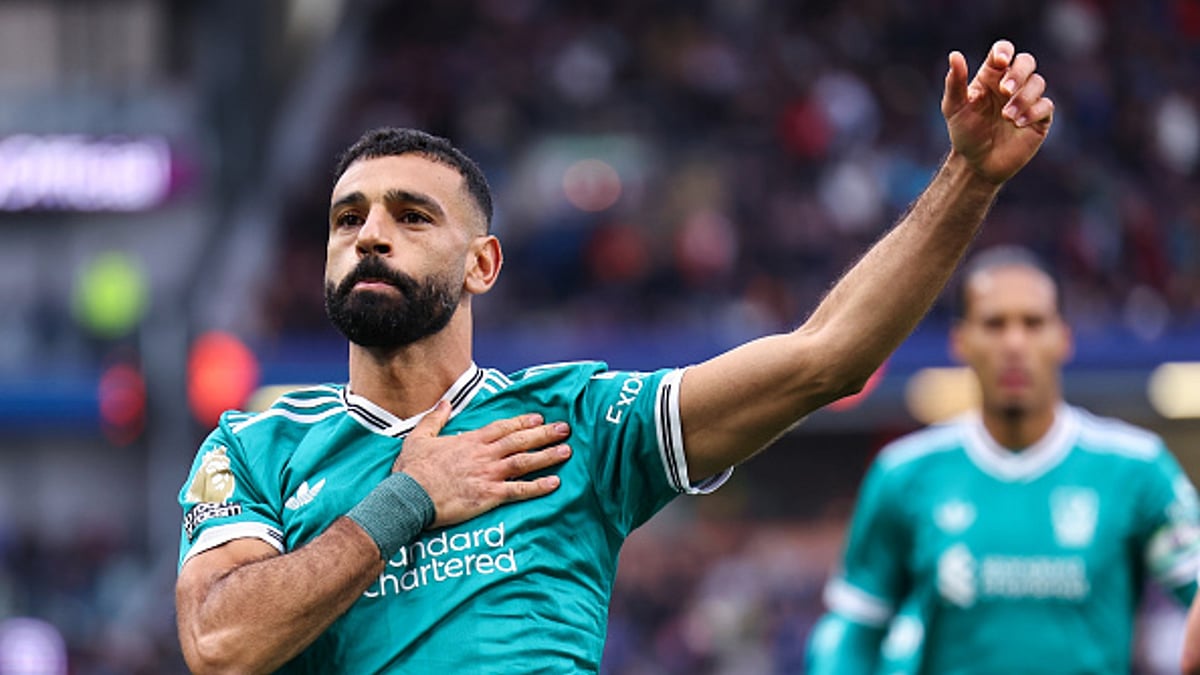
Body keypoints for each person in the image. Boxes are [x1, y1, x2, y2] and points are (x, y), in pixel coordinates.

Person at [175, 39, 1054, 673]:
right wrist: (411, 497)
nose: (369, 235)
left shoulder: (576, 423)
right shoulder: (253, 450)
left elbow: (823, 357)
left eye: (410, 217)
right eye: (346, 218)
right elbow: (221, 645)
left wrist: (969, 178)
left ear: (483, 264)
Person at [806, 246, 1200, 674]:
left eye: (1033, 323)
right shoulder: (904, 474)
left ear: (1062, 337)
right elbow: (853, 629)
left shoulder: (1137, 469)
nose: (1014, 343)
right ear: (961, 340)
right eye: (995, 324)